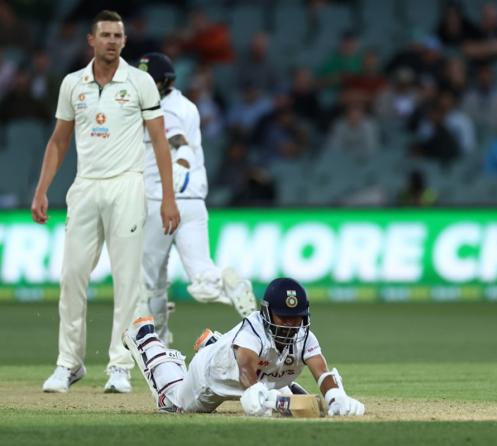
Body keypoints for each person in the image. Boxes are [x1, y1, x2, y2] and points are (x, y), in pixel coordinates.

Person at [33, 11, 181, 394]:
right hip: (86, 187)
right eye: (106, 35)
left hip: (127, 186)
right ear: (91, 40)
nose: (113, 41)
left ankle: (119, 365)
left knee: (128, 281)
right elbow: (59, 141)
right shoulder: (73, 84)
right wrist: (41, 189)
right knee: (71, 277)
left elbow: (160, 142)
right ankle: (68, 363)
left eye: (119, 35)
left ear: (125, 42)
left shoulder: (140, 82)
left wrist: (167, 197)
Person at [136, 52, 257, 346]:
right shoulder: (186, 104)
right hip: (193, 202)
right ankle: (228, 285)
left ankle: (157, 342)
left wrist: (175, 179)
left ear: (164, 81)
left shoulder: (165, 109)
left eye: (147, 78)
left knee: (149, 279)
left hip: (162, 199)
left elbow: (179, 143)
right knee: (202, 276)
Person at [123, 277, 365, 416]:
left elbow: (322, 372)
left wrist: (335, 395)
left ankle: (216, 344)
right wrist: (252, 392)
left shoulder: (304, 336)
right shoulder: (253, 331)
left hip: (258, 372)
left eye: (297, 317)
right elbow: (246, 370)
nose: (291, 324)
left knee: (274, 397)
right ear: (268, 313)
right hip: (213, 378)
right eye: (284, 317)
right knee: (173, 404)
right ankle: (146, 338)